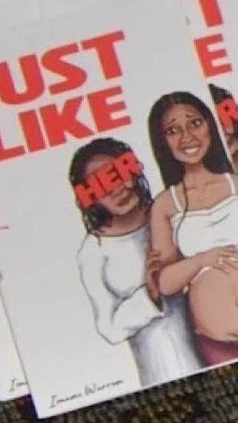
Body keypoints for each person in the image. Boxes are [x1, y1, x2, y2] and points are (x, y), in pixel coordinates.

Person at [145, 91, 238, 367]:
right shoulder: (165, 204)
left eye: (195, 123)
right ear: (162, 142)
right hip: (214, 342)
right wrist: (203, 260)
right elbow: (167, 281)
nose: (186, 137)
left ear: (211, 124)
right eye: (172, 131)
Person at [68, 135, 201, 386]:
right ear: (89, 197)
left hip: (216, 339)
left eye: (119, 174)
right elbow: (109, 328)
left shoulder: (169, 210)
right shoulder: (94, 251)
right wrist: (149, 294)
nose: (117, 189)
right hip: (162, 369)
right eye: (101, 185)